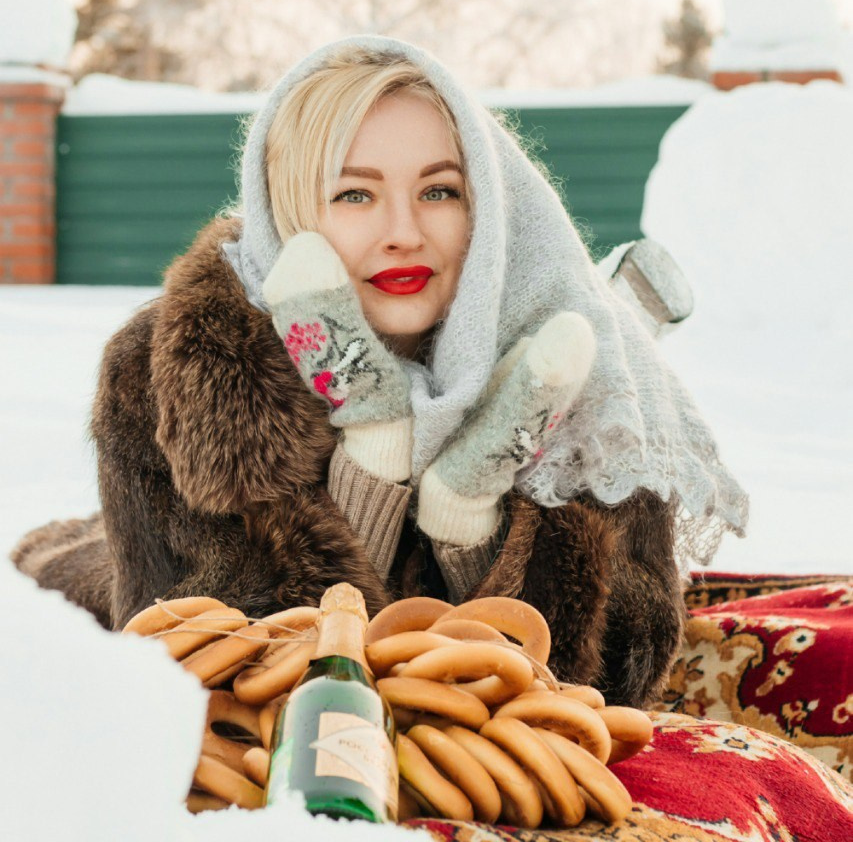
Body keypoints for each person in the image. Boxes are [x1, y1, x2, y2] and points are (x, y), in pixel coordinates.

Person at [11, 36, 748, 707]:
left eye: (439, 191)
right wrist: (372, 464)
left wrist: (469, 521)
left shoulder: (579, 368)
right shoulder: (174, 364)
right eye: (353, 194)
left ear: (486, 209)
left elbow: (620, 676)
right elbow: (196, 659)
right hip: (91, 579)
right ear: (291, 211)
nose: (403, 232)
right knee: (53, 570)